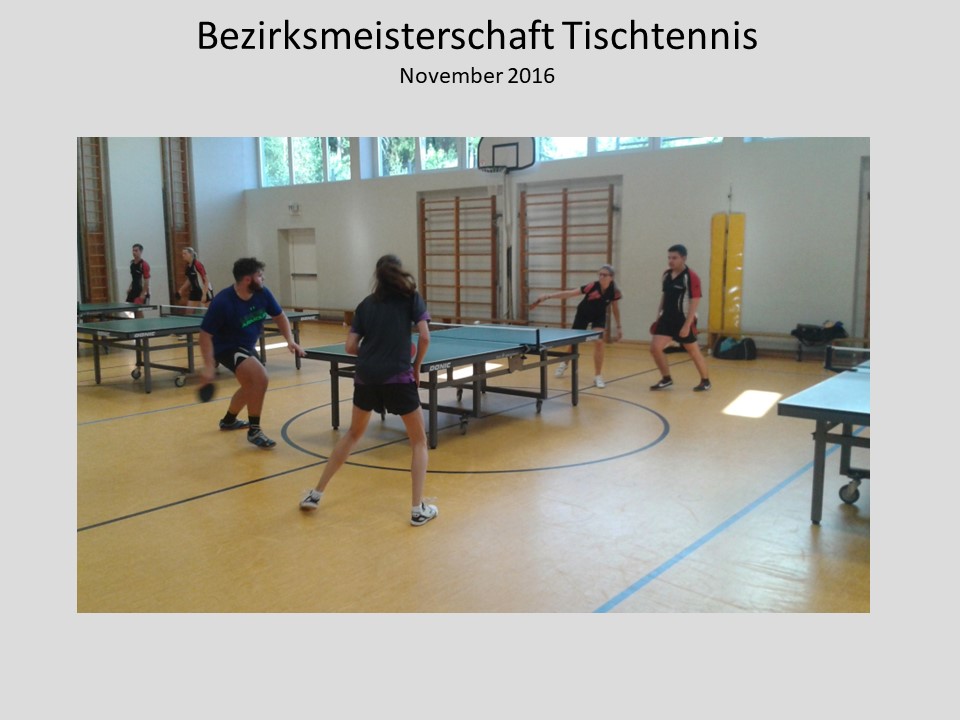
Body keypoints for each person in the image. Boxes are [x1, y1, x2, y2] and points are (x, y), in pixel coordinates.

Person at [300, 254, 437, 527]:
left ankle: (316, 494)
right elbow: (424, 337)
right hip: (398, 378)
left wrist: (373, 355)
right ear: (398, 272)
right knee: (419, 441)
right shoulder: (411, 298)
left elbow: (350, 347)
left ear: (377, 275)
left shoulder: (365, 305)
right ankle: (417, 510)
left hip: (366, 378)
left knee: (352, 434)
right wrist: (416, 367)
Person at [199, 257, 305, 449]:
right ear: (248, 279)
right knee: (260, 379)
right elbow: (205, 335)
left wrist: (290, 340)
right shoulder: (223, 302)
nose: (263, 278)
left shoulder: (263, 293)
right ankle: (254, 430)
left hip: (246, 346)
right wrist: (208, 366)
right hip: (226, 347)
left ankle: (229, 420)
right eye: (259, 275)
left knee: (250, 386)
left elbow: (279, 316)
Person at [529, 264, 623, 388]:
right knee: (574, 342)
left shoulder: (614, 292)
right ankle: (565, 363)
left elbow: (615, 308)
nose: (601, 277)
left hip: (599, 316)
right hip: (583, 314)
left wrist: (619, 327)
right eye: (600, 274)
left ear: (611, 277)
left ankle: (598, 376)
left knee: (599, 342)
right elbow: (570, 293)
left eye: (604, 275)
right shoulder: (592, 286)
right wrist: (548, 296)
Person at [649, 244, 711, 391]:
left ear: (683, 258)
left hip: (683, 319)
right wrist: (658, 315)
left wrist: (687, 325)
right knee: (655, 348)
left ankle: (705, 381)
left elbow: (695, 301)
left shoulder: (691, 277)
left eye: (674, 258)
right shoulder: (666, 275)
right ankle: (666, 378)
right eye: (669, 257)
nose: (671, 261)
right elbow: (664, 296)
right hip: (666, 318)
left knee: (693, 351)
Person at [125, 243, 150, 318]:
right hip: (133, 290)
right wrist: (130, 287)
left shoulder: (144, 265)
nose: (134, 252)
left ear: (140, 252)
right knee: (129, 311)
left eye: (136, 251)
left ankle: (142, 324)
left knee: (138, 310)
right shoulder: (132, 264)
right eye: (133, 250)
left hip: (140, 290)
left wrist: (143, 293)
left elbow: (146, 280)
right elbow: (134, 278)